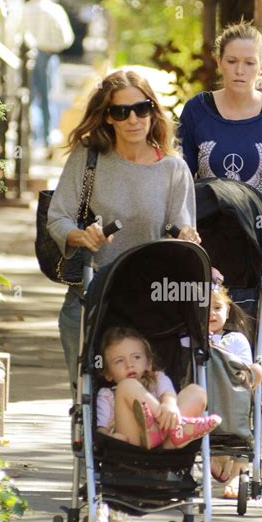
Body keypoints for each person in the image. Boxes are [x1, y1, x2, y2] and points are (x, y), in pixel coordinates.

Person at [47, 69, 200, 393]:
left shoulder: (173, 169)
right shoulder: (89, 159)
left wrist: (185, 236)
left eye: (141, 108)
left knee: (149, 392)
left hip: (151, 303)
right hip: (92, 297)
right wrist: (82, 235)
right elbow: (58, 218)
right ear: (107, 118)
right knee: (90, 397)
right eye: (121, 111)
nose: (133, 119)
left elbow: (180, 230)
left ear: (153, 110)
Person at [178, 19, 262, 334]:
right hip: (212, 243)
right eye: (232, 61)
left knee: (254, 345)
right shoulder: (197, 110)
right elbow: (180, 176)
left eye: (249, 63)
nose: (239, 70)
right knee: (207, 342)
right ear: (219, 62)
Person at [96, 326, 221, 449]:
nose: (130, 365)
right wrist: (110, 441)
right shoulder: (106, 395)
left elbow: (168, 394)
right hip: (133, 442)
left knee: (196, 391)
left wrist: (169, 405)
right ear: (108, 373)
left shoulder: (157, 378)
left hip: (166, 444)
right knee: (126, 385)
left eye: (136, 357)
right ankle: (177, 426)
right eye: (119, 361)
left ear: (149, 363)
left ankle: (175, 430)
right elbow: (102, 429)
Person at [208, 284, 262, 498]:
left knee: (254, 372)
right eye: (205, 308)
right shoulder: (189, 339)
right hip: (201, 404)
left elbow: (247, 373)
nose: (211, 313)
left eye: (217, 308)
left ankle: (237, 472)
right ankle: (216, 455)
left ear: (228, 311)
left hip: (231, 400)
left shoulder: (235, 340)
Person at [20, 0, 75, 148]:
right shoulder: (54, 10)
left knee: (29, 95)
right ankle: (45, 136)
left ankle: (30, 134)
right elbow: (66, 38)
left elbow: (16, 32)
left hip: (27, 55)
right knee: (46, 96)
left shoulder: (26, 9)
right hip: (48, 54)